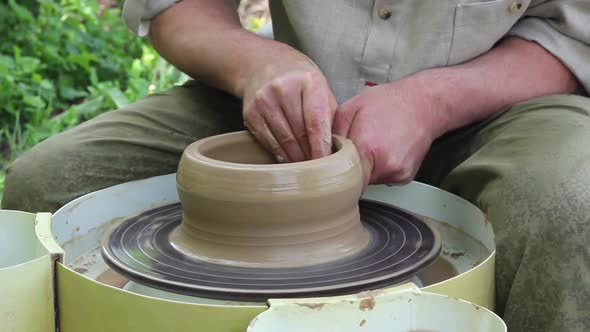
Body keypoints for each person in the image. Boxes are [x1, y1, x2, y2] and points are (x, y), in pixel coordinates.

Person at [3, 0, 589, 330]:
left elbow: (574, 36)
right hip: (287, 109)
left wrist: (432, 102)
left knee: (572, 215)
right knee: (48, 186)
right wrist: (255, 63)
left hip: (499, 104)